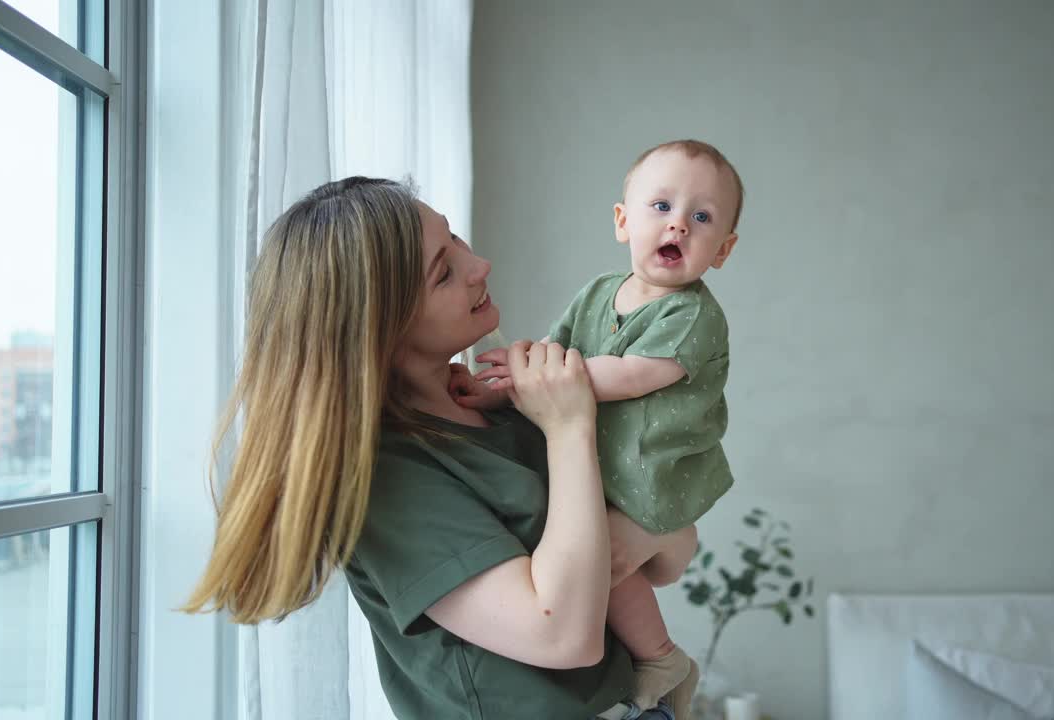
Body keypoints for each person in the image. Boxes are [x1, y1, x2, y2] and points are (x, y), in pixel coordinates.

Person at [182, 177, 697, 719]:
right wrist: (572, 429)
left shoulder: (502, 408)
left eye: (457, 241)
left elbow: (668, 555)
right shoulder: (387, 475)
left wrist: (647, 530)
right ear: (379, 323)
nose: (480, 266)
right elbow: (563, 635)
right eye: (444, 272)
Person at [465, 140, 742, 715]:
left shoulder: (693, 315)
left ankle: (661, 655)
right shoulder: (597, 292)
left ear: (723, 250)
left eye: (702, 217)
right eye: (661, 206)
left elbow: (628, 376)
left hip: (653, 479)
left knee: (601, 565)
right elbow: (553, 351)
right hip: (600, 474)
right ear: (623, 221)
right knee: (580, 561)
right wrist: (501, 384)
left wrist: (536, 378)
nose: (679, 226)